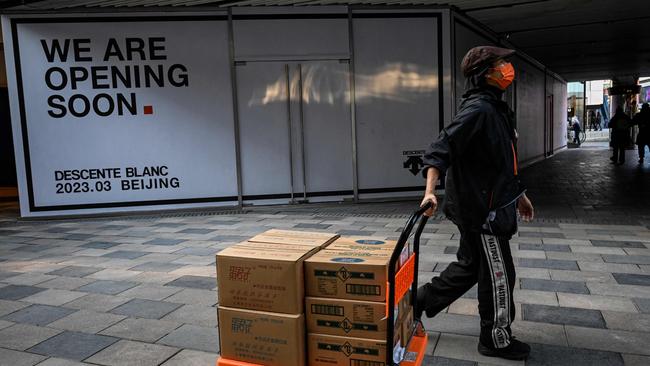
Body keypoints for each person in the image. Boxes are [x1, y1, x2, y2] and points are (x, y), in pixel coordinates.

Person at [417, 46, 534, 361]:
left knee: (470, 266)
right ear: (486, 74)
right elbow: (440, 148)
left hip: (487, 202)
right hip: (484, 212)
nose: (507, 67)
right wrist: (430, 192)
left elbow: (501, 162)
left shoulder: (494, 109)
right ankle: (495, 339)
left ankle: (418, 301)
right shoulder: (478, 111)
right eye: (501, 64)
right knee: (499, 272)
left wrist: (519, 194)